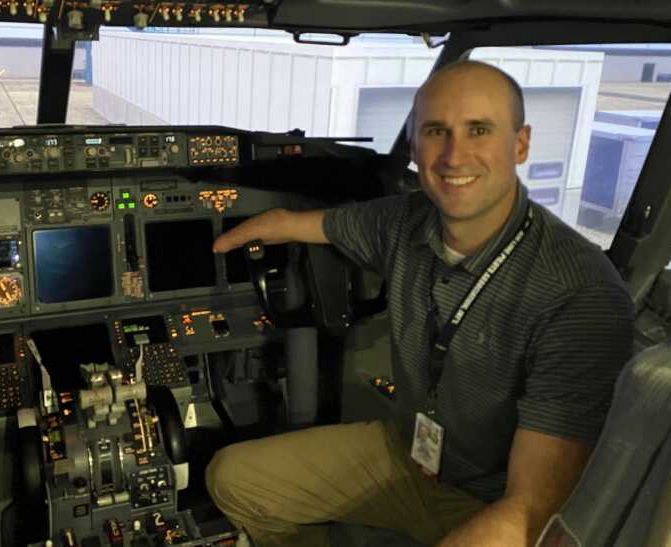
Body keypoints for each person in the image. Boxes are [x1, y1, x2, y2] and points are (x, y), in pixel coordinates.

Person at [207, 60, 634, 547]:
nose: (454, 155)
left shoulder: (579, 294)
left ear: (520, 143)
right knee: (235, 479)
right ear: (414, 146)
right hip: (410, 453)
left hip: (493, 501)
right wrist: (255, 228)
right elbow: (323, 224)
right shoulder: (406, 221)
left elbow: (530, 512)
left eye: (479, 130)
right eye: (437, 131)